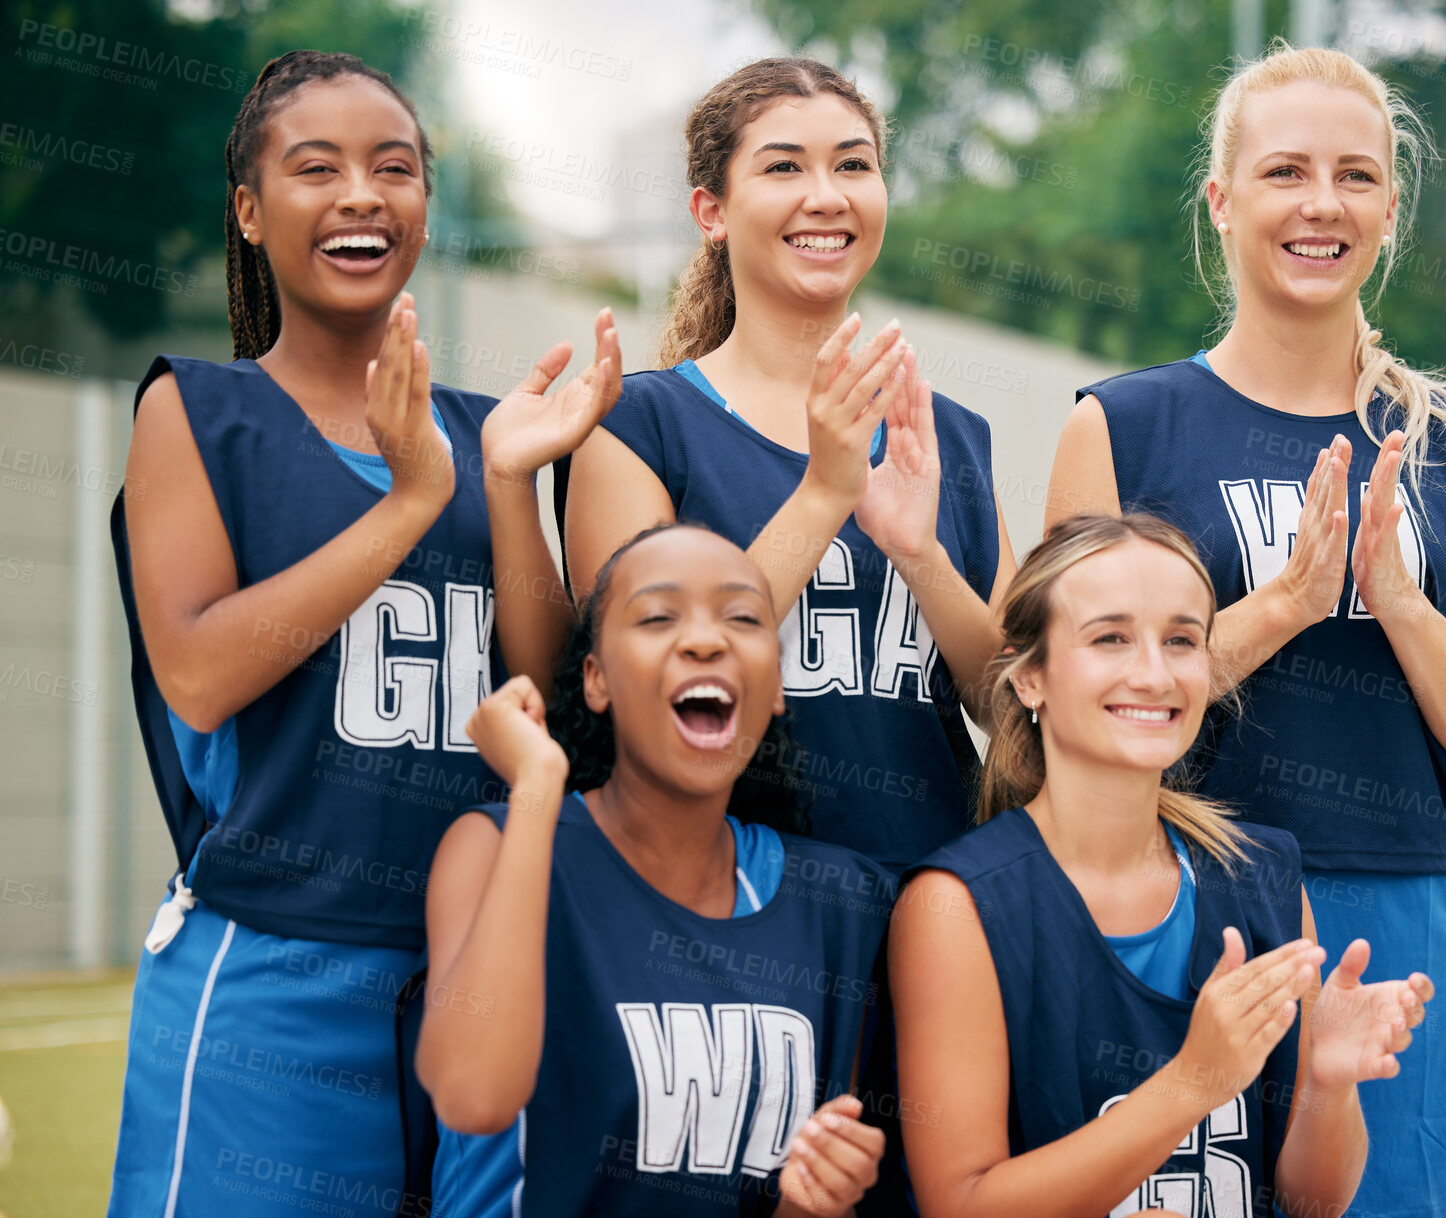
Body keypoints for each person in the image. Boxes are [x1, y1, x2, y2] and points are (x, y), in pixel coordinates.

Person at [1043, 42, 1446, 1218]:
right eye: (1285, 172)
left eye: (1356, 176)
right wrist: (1283, 604)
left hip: (1400, 915)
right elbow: (1064, 717)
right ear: (1223, 200)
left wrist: (1399, 600)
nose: (1322, 204)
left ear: (1390, 206)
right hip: (1182, 897)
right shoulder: (1124, 427)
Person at [106, 50, 616, 1216]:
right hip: (277, 968)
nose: (361, 195)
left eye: (395, 169)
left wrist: (505, 485)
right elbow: (196, 673)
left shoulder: (493, 435)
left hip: (483, 966)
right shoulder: (197, 409)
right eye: (316, 168)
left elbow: (549, 694)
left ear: (426, 208)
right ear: (248, 210)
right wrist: (407, 504)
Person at [892, 512, 1436, 1218]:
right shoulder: (957, 907)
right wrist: (1192, 1081)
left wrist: (1327, 1084)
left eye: (1180, 640)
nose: (1151, 674)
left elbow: (1311, 1203)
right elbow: (960, 1204)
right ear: (1029, 679)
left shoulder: (1259, 873)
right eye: (1109, 638)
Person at [558, 57, 1016, 876]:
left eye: (852, 164)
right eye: (782, 167)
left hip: (937, 903)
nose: (826, 195)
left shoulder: (946, 433)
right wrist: (823, 494)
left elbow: (1013, 708)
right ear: (711, 211)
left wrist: (919, 554)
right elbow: (630, 693)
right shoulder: (635, 424)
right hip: (727, 908)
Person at [416, 524, 893, 1216]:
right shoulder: (496, 843)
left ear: (778, 686)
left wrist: (818, 1199)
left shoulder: (838, 901)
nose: (704, 640)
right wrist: (538, 783)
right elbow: (471, 1096)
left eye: (742, 618)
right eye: (657, 616)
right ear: (596, 680)